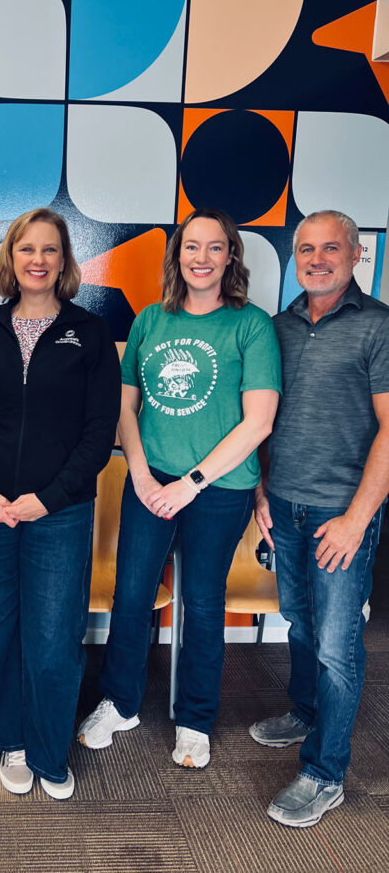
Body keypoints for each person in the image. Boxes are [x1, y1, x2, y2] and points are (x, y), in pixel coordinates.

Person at [78, 208, 281, 769]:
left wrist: (191, 483)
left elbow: (259, 422)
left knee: (204, 601)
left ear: (230, 257)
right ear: (178, 255)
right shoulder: (150, 320)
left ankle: (195, 718)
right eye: (192, 246)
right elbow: (125, 408)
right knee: (132, 593)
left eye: (215, 247)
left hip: (218, 488)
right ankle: (120, 703)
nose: (202, 258)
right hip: (151, 481)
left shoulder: (251, 325)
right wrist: (143, 475)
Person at [0, 208, 120, 800]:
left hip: (59, 513)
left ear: (64, 260)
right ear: (11, 258)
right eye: (27, 249)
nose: (38, 260)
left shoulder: (89, 332)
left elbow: (100, 430)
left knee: (52, 637)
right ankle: (12, 742)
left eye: (50, 249)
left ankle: (48, 750)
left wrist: (49, 499)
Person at [250, 210, 389, 827]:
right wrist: (261, 490)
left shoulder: (378, 326)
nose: (317, 259)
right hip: (284, 505)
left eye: (331, 248)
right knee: (300, 622)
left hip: (341, 511)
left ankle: (325, 773)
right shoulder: (277, 328)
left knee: (337, 644)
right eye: (306, 249)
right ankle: (305, 711)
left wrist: (357, 519)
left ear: (356, 255)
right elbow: (264, 419)